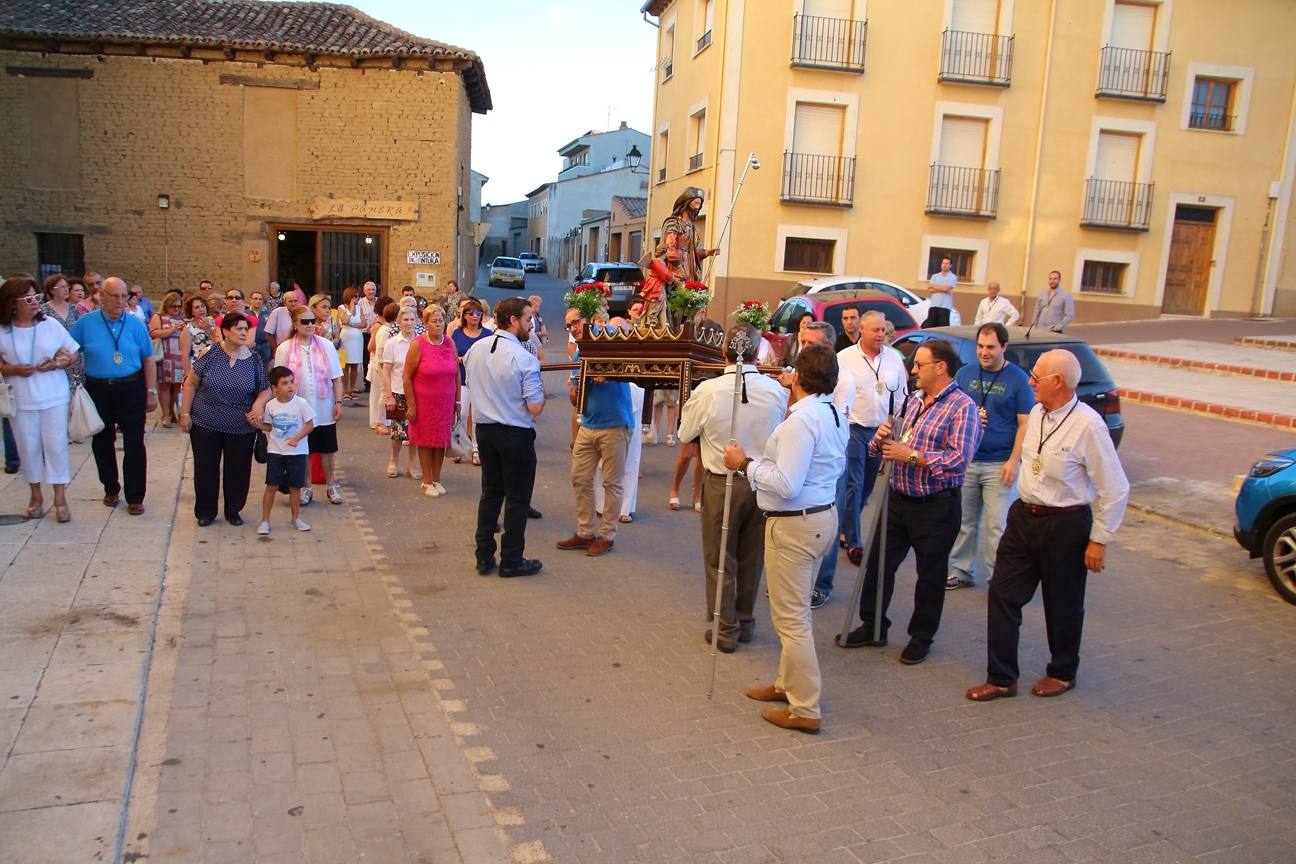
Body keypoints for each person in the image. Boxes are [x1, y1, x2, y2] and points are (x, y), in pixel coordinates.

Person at [966, 349, 1129, 702]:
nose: (1030, 383)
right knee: (1002, 594)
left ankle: (1063, 672)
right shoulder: (1038, 412)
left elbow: (1115, 488)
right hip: (1024, 517)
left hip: (1065, 524)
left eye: (1036, 377)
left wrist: (1099, 539)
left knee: (1063, 604)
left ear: (1058, 382)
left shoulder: (1089, 426)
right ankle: (1001, 678)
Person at [723, 343, 848, 734]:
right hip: (819, 516)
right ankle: (787, 683)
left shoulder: (803, 421)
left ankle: (805, 707)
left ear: (799, 377)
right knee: (796, 612)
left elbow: (787, 483)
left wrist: (744, 464)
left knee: (792, 620)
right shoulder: (833, 412)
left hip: (796, 523)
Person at [837, 339, 981, 664]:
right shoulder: (913, 400)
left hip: (936, 506)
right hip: (897, 499)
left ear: (941, 367)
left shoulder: (963, 407)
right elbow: (886, 447)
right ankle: (873, 625)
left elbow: (959, 460)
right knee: (878, 564)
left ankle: (921, 637)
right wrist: (881, 439)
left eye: (919, 365)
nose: (913, 371)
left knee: (929, 575)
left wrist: (912, 455)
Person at [677, 324, 788, 653]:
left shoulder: (709, 390)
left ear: (724, 352)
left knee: (720, 556)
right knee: (752, 557)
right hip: (761, 481)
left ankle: (726, 628)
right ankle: (745, 621)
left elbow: (684, 433)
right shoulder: (775, 391)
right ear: (757, 354)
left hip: (724, 482)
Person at [948, 323, 1033, 590]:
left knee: (998, 525)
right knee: (963, 521)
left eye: (991, 347)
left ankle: (999, 577)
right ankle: (961, 570)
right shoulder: (965, 374)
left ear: (1004, 347)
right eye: (980, 346)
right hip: (967, 461)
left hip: (999, 463)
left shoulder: (1018, 379)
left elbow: (1025, 424)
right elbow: (951, 411)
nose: (984, 352)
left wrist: (1014, 461)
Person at [464, 297, 544, 578]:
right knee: (517, 499)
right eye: (527, 319)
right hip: (514, 432)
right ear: (512, 320)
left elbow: (471, 385)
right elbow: (535, 407)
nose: (531, 325)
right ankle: (511, 559)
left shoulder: (475, 349)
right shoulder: (524, 358)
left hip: (485, 431)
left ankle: (484, 556)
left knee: (491, 493)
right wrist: (540, 392)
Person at [70, 276, 159, 515]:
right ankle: (110, 488)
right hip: (98, 389)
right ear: (102, 296)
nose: (120, 301)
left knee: (134, 443)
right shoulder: (85, 323)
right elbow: (71, 350)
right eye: (115, 296)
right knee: (102, 441)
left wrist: (151, 391)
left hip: (131, 387)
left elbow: (148, 359)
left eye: (123, 296)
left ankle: (135, 497)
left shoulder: (136, 324)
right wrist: (64, 361)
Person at [785, 322, 856, 610]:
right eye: (802, 342)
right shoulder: (800, 371)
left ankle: (822, 584)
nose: (803, 348)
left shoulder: (843, 378)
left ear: (828, 346)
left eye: (810, 343)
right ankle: (794, 580)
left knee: (827, 515)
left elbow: (825, 417)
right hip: (802, 449)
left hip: (827, 457)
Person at [179, 312, 271, 527]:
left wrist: (258, 405)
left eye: (246, 329)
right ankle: (206, 512)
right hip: (205, 422)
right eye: (238, 328)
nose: (243, 332)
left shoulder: (254, 359)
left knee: (238, 470)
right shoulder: (210, 353)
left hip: (240, 426)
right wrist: (185, 413)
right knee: (205, 468)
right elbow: (191, 383)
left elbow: (265, 389)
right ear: (226, 331)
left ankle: (233, 510)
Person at [0, 275, 79, 522]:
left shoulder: (49, 324)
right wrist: (12, 369)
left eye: (36, 297)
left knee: (56, 446)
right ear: (12, 303)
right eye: (27, 299)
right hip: (21, 399)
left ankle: (60, 498)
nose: (34, 302)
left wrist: (58, 363)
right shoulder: (3, 330)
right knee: (28, 447)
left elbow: (73, 353)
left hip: (54, 395)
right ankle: (36, 495)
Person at [836, 311, 908, 567]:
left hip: (882, 430)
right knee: (854, 484)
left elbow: (902, 395)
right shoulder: (845, 358)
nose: (880, 334)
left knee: (867, 486)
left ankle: (846, 527)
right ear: (862, 330)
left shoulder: (893, 358)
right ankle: (855, 543)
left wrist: (897, 426)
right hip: (854, 428)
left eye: (882, 330)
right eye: (875, 330)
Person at [556, 355, 634, 558]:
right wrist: (576, 391)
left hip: (616, 425)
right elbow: (575, 399)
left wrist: (608, 374)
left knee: (612, 483)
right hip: (588, 425)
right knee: (579, 477)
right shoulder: (580, 354)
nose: (576, 337)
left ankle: (607, 535)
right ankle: (586, 532)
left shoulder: (616, 348)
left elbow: (633, 371)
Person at [274, 304, 343, 506]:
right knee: (303, 449)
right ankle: (306, 487)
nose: (310, 325)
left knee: (327, 448)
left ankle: (331, 485)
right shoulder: (285, 348)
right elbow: (278, 381)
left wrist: (338, 402)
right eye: (305, 321)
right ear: (295, 324)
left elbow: (336, 378)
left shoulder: (326, 345)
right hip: (298, 407)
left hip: (323, 405)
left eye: (313, 321)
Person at [641, 187, 718, 327]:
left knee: (688, 306)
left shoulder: (693, 228)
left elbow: (695, 250)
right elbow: (670, 248)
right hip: (676, 269)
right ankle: (671, 328)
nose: (698, 207)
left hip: (690, 269)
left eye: (700, 204)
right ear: (687, 202)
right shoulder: (673, 223)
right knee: (675, 303)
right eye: (696, 203)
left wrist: (707, 252)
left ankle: (685, 329)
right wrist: (679, 268)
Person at [404, 305, 460, 497]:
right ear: (425, 323)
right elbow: (407, 377)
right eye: (434, 321)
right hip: (424, 403)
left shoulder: (449, 343)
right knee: (426, 441)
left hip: (445, 403)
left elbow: (456, 374)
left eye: (441, 321)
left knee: (441, 441)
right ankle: (426, 481)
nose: (438, 324)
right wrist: (412, 405)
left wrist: (457, 401)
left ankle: (436, 479)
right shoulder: (418, 344)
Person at [257, 366, 314, 535]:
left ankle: (296, 518)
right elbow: (269, 426)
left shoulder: (301, 403)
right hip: (275, 451)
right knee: (271, 486)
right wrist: (256, 424)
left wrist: (296, 438)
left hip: (296, 453)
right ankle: (265, 520)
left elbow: (310, 425)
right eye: (284, 383)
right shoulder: (270, 406)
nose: (290, 386)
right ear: (275, 388)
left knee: (295, 487)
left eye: (291, 381)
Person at [451, 297, 492, 466]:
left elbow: (491, 356)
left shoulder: (488, 334)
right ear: (465, 316)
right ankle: (458, 447)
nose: (475, 316)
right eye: (471, 313)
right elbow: (452, 355)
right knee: (461, 414)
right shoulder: (457, 333)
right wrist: (460, 359)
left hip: (480, 380)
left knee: (477, 416)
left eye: (478, 313)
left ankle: (476, 449)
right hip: (461, 378)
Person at [382, 306, 421, 481]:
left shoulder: (421, 342)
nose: (409, 323)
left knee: (415, 431)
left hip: (418, 392)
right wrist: (389, 396)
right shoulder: (392, 343)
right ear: (399, 321)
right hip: (398, 391)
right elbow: (386, 371)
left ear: (417, 321)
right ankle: (394, 461)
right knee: (397, 431)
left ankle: (412, 464)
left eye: (412, 319)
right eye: (405, 319)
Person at [39, 273, 83, 391]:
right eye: (62, 287)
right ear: (52, 290)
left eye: (67, 286)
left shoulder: (74, 309)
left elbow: (80, 334)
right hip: (56, 358)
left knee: (78, 394)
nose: (66, 289)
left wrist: (82, 356)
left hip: (75, 357)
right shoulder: (44, 310)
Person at [149, 290, 186, 427]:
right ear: (166, 305)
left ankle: (174, 411)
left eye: (178, 306)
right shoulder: (158, 316)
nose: (176, 309)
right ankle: (165, 414)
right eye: (173, 306)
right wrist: (172, 329)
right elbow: (154, 333)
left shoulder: (183, 318)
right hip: (165, 356)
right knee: (164, 386)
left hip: (180, 357)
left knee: (178, 387)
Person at [368, 300, 396, 434]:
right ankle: (380, 422)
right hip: (382, 365)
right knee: (384, 393)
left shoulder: (387, 329)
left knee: (384, 393)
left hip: (383, 365)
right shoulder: (385, 331)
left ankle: (384, 421)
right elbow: (381, 351)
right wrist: (385, 368)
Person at [338, 286, 365, 401]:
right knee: (346, 364)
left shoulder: (360, 308)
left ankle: (352, 388)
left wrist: (353, 325)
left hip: (357, 338)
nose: (358, 298)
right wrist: (351, 308)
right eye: (355, 296)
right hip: (346, 338)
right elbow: (345, 320)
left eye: (358, 296)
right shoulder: (341, 308)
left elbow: (364, 323)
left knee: (355, 364)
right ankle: (345, 390)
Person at [179, 294, 216, 377]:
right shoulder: (188, 329)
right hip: (197, 367)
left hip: (215, 366)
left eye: (203, 306)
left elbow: (220, 344)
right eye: (197, 307)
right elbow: (185, 355)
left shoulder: (215, 324)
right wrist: (187, 376)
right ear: (192, 312)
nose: (201, 309)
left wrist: (209, 331)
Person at [263, 289, 301, 357]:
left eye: (295, 301)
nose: (293, 304)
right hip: (282, 349)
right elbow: (270, 333)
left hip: (299, 349)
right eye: (290, 301)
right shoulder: (277, 312)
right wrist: (275, 349)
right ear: (284, 303)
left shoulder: (302, 313)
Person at [926, 256, 958, 327]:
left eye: (947, 263)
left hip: (944, 307)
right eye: (943, 263)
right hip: (933, 306)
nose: (944, 265)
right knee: (931, 328)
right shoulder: (935, 276)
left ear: (950, 266)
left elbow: (946, 289)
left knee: (943, 329)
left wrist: (934, 286)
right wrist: (943, 288)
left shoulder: (952, 277)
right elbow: (930, 289)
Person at [358, 280, 378, 388]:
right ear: (365, 292)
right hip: (365, 334)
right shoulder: (360, 303)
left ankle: (376, 381)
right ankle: (367, 382)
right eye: (369, 290)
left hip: (377, 334)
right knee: (366, 358)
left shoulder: (379, 302)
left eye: (373, 289)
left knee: (376, 357)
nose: (371, 292)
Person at [248, 290, 272, 367]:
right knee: (250, 367)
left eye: (260, 299)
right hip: (250, 346)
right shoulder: (245, 313)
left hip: (265, 346)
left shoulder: (269, 313)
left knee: (264, 367)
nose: (258, 301)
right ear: (250, 300)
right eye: (255, 298)